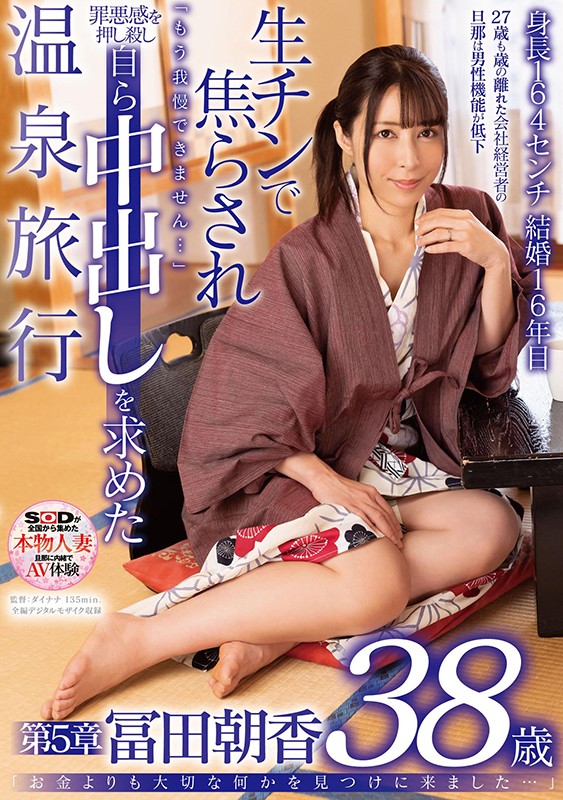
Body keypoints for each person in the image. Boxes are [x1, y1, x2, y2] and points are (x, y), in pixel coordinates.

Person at [41, 45, 532, 721]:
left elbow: (487, 367)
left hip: (399, 464)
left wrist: (495, 263)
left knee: (492, 528)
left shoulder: (468, 216)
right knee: (377, 584)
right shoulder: (307, 258)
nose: (409, 158)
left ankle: (277, 626)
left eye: (426, 132)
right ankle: (141, 635)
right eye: (386, 133)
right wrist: (326, 481)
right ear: (345, 136)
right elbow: (240, 409)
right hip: (303, 466)